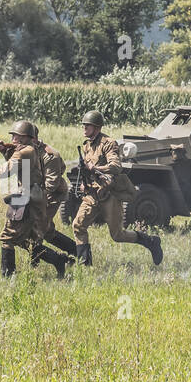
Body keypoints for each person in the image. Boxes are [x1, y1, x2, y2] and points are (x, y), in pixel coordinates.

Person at [0, 120, 71, 278]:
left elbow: (1, 172)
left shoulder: (24, 152)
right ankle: (58, 260)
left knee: (7, 237)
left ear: (25, 138)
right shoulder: (30, 150)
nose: (12, 139)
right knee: (26, 240)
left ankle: (8, 277)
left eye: (15, 136)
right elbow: (16, 163)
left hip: (26, 198)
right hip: (34, 197)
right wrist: (2, 149)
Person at [70, 110, 162, 267]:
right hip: (92, 194)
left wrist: (95, 168)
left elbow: (116, 166)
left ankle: (150, 241)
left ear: (97, 127)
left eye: (88, 126)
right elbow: (89, 170)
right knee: (78, 226)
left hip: (108, 194)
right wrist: (84, 182)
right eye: (84, 125)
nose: (84, 128)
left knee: (118, 235)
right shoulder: (87, 146)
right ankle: (85, 266)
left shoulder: (108, 143)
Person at [32, 125, 77, 260]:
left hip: (52, 195)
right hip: (37, 193)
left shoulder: (50, 155)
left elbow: (51, 185)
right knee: (47, 230)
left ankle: (37, 263)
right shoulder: (26, 151)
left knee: (37, 227)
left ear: (32, 138)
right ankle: (76, 251)